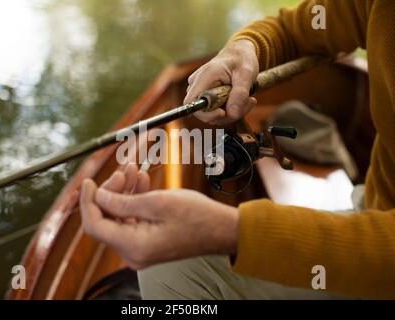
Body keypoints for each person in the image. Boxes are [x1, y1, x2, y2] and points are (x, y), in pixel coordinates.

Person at [79, 0, 395, 299]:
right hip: (374, 210)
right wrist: (246, 48)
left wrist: (234, 232)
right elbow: (297, 30)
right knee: (166, 267)